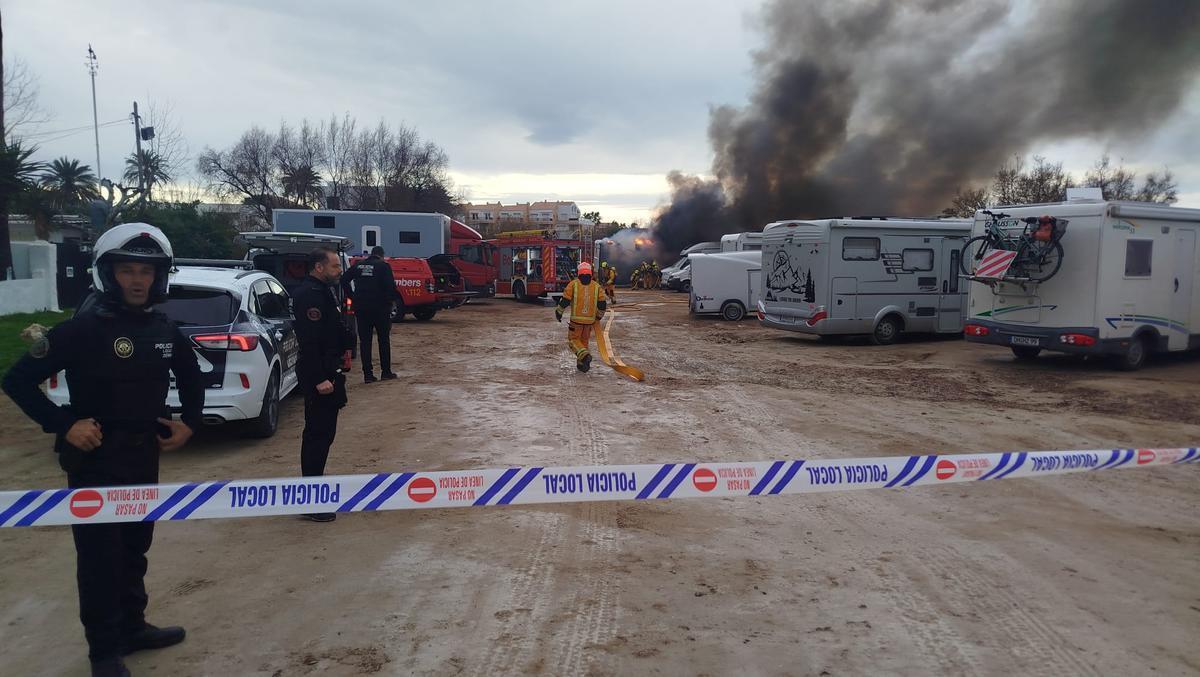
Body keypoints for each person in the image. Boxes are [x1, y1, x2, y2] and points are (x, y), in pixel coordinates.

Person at [2, 223, 203, 677]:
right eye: (128, 270)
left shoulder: (164, 329)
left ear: (159, 277)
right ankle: (103, 651)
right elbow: (15, 380)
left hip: (142, 456)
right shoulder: (80, 330)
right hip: (95, 460)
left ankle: (133, 627)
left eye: (147, 272)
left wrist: (190, 423)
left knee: (135, 548)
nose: (137, 280)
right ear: (108, 274)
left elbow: (193, 378)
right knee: (99, 558)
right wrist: (64, 424)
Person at [292, 247, 353, 523]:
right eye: (335, 267)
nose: (340, 271)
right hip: (321, 377)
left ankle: (314, 492)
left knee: (324, 435)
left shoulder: (323, 291)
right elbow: (310, 342)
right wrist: (319, 379)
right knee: (317, 436)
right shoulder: (310, 296)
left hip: (330, 371)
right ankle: (311, 500)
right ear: (319, 267)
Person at [341, 245, 397, 383]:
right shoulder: (384, 266)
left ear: (371, 254)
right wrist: (389, 302)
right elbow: (391, 287)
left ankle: (368, 375)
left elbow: (343, 280)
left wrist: (352, 296)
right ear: (381, 255)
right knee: (383, 340)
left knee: (365, 342)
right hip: (380, 309)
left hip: (361, 308)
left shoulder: (359, 265)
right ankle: (386, 372)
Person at [554, 261, 607, 372]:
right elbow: (602, 304)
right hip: (589, 322)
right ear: (590, 273)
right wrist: (598, 316)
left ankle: (585, 357)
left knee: (573, 340)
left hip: (576, 321)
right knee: (584, 342)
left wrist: (559, 312)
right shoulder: (597, 287)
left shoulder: (573, 284)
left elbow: (565, 301)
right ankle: (582, 364)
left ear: (579, 273)